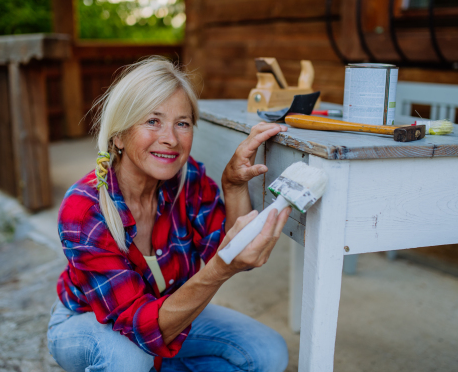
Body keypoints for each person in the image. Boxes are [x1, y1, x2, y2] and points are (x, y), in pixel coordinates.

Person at [46, 57, 292, 372]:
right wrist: (217, 270)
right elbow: (142, 326)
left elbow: (229, 251)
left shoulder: (188, 181)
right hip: (87, 320)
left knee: (268, 353)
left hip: (167, 310)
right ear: (118, 136)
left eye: (182, 123)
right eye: (153, 121)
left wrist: (233, 187)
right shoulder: (83, 212)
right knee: (129, 359)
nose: (171, 139)